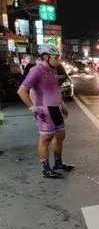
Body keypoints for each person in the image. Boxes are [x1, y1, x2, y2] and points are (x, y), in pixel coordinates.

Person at [17, 45, 74, 179]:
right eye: (56, 57)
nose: (58, 60)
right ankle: (46, 169)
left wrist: (62, 105)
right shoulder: (36, 70)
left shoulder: (53, 70)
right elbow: (21, 91)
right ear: (46, 57)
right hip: (44, 110)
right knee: (45, 139)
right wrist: (33, 108)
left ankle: (58, 164)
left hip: (56, 108)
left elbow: (55, 90)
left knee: (60, 136)